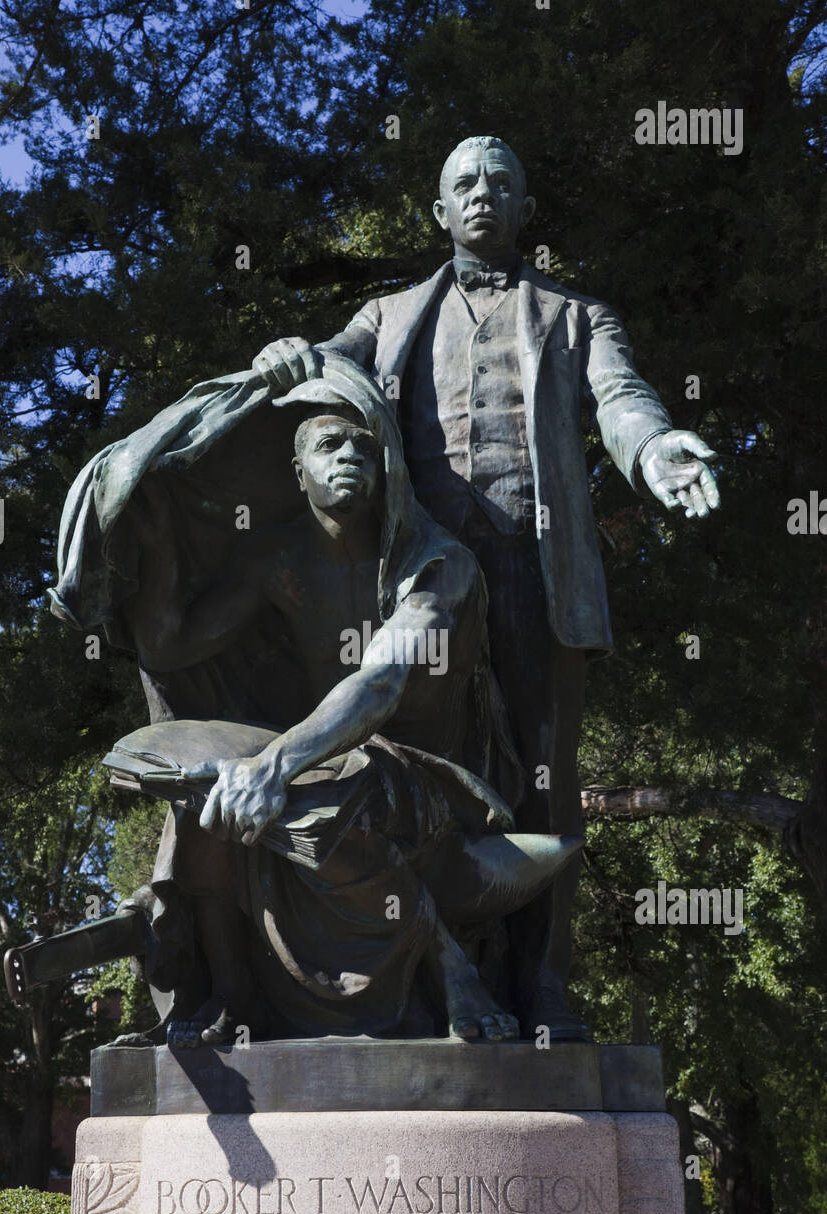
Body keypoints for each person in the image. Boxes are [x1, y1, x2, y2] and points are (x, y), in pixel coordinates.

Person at [250, 135, 721, 1039]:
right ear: (438, 211)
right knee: (403, 766)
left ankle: (543, 986)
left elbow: (622, 399)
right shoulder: (386, 316)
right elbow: (318, 371)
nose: (482, 194)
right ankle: (420, 979)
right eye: (463, 182)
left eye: (502, 181)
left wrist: (657, 448)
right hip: (420, 577)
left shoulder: (577, 315)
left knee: (546, 787)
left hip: (538, 576)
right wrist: (286, 355)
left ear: (524, 207)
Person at [50, 356, 580, 1043]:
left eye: (366, 446)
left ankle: (450, 964)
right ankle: (228, 998)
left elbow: (381, 682)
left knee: (335, 790)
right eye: (328, 445)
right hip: (318, 756)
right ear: (295, 473)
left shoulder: (435, 565)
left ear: (389, 467)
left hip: (425, 774)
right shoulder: (279, 559)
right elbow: (172, 648)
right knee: (201, 801)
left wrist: (273, 766)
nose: (350, 456)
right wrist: (161, 549)